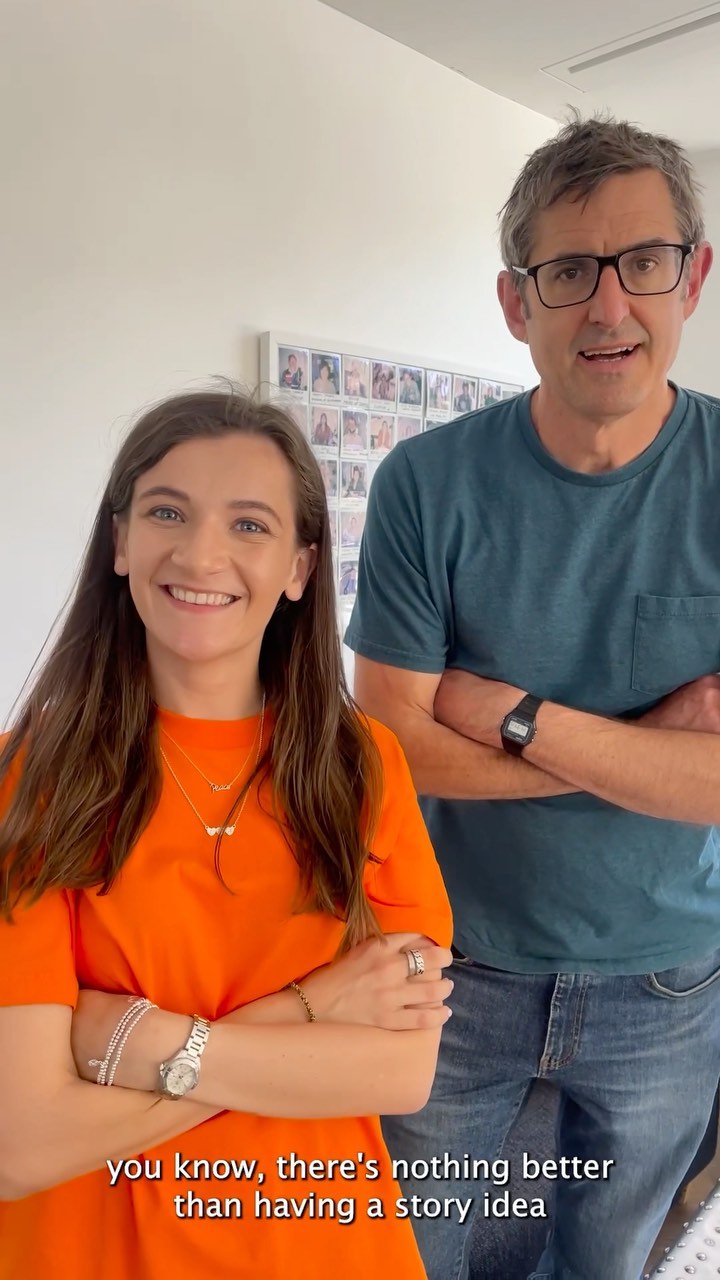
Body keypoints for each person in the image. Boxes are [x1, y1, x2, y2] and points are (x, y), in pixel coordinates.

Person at [345, 111, 720, 1280]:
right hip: (453, 962)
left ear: (693, 277)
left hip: (668, 975)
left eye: (643, 261)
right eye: (568, 271)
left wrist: (517, 716)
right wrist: (648, 748)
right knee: (418, 1254)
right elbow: (389, 744)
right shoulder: (428, 483)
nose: (609, 306)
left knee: (609, 1260)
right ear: (517, 302)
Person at [0, 388, 454, 1280]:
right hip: (97, 1251)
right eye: (167, 512)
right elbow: (24, 1141)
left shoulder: (363, 764)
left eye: (249, 524)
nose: (201, 554)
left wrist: (133, 1042)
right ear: (121, 541)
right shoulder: (33, 776)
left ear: (300, 566)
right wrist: (309, 1012)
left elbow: (401, 1075)